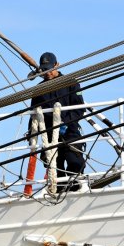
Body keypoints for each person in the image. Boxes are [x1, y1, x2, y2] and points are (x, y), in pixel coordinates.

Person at [30, 52, 86, 191]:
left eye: (50, 68)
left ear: (57, 65)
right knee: (55, 168)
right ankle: (60, 190)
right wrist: (31, 133)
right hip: (48, 134)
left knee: (76, 162)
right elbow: (34, 114)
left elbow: (79, 109)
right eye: (44, 69)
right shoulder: (38, 90)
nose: (47, 73)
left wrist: (64, 122)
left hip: (70, 131)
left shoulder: (71, 83)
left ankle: (74, 189)